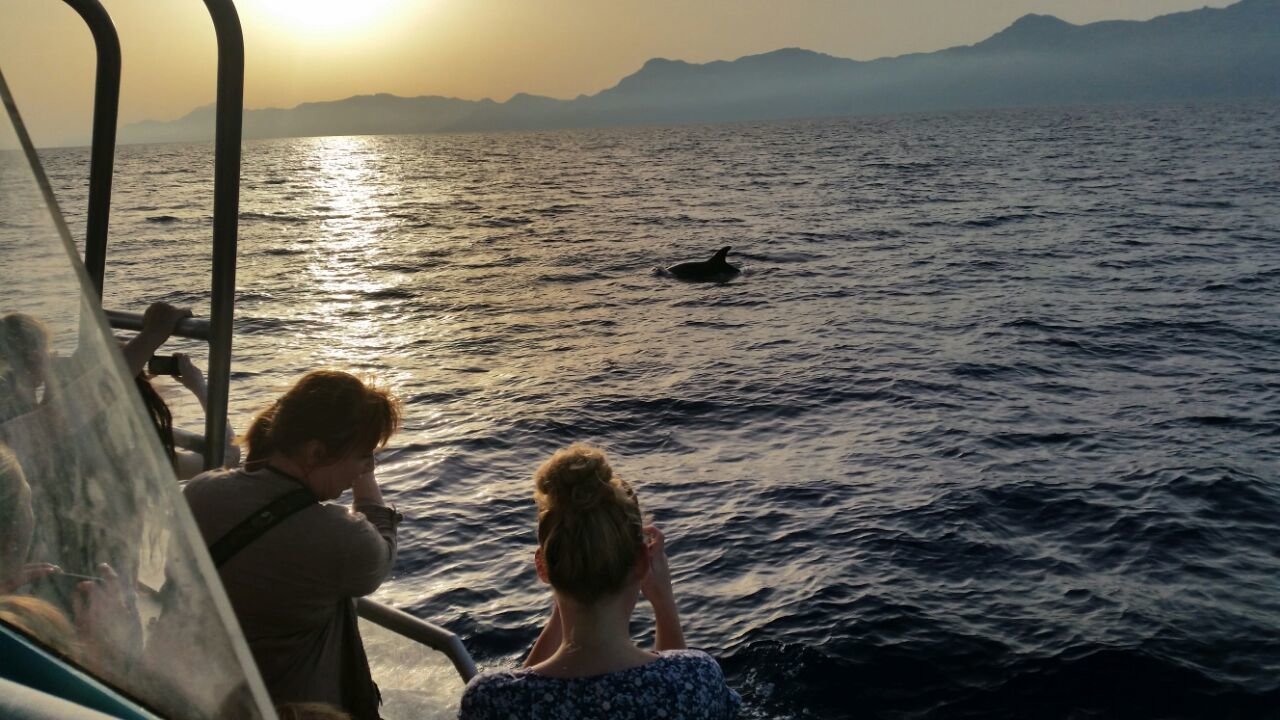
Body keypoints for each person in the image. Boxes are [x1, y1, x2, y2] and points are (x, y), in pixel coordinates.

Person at [459, 444, 741, 719]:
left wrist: (565, 599)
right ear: (642, 562)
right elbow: (679, 677)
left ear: (543, 569)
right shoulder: (696, 678)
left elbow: (519, 685)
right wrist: (664, 601)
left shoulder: (491, 699)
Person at [182, 370, 401, 719]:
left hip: (201, 699)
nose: (364, 469)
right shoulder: (340, 538)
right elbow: (382, 547)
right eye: (364, 456)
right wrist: (369, 481)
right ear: (315, 452)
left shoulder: (200, 491)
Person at [122, 301, 239, 478]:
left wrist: (145, 344)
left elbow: (107, 377)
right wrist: (199, 386)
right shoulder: (137, 457)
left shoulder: (81, 430)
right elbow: (228, 457)